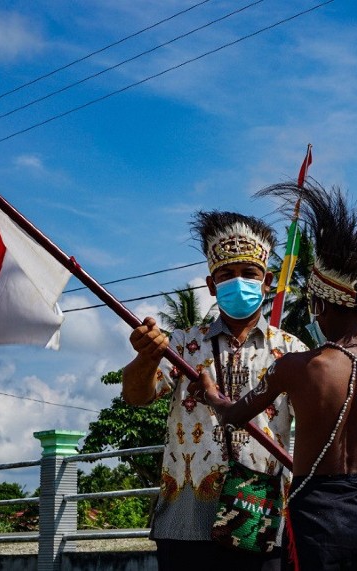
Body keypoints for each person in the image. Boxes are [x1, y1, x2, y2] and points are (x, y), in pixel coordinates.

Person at [188, 180, 357, 570]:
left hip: (315, 520)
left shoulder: (297, 367)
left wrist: (209, 393)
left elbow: (234, 414)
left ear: (318, 303)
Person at [122, 211, 307, 571]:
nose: (238, 282)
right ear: (211, 284)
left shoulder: (292, 351)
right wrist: (146, 357)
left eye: (249, 274)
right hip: (187, 511)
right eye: (227, 275)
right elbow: (136, 395)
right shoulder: (181, 343)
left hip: (260, 509)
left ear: (266, 281)